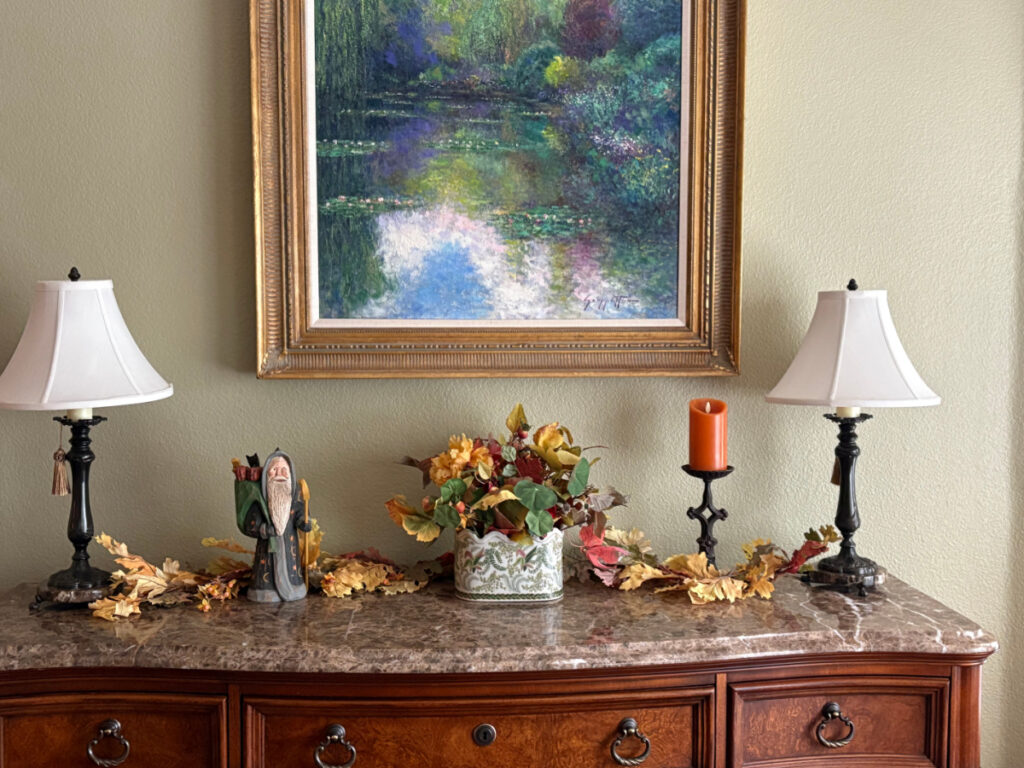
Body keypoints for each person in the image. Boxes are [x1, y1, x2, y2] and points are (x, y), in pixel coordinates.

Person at [236, 451, 310, 602]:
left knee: (291, 567)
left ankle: (295, 586)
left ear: (291, 473)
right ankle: (265, 590)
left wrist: (303, 522)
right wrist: (264, 529)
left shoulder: (295, 494)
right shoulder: (260, 497)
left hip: (289, 545)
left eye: (284, 470)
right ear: (266, 474)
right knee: (266, 570)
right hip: (267, 550)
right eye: (275, 469)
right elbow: (251, 523)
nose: (279, 474)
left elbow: (300, 513)